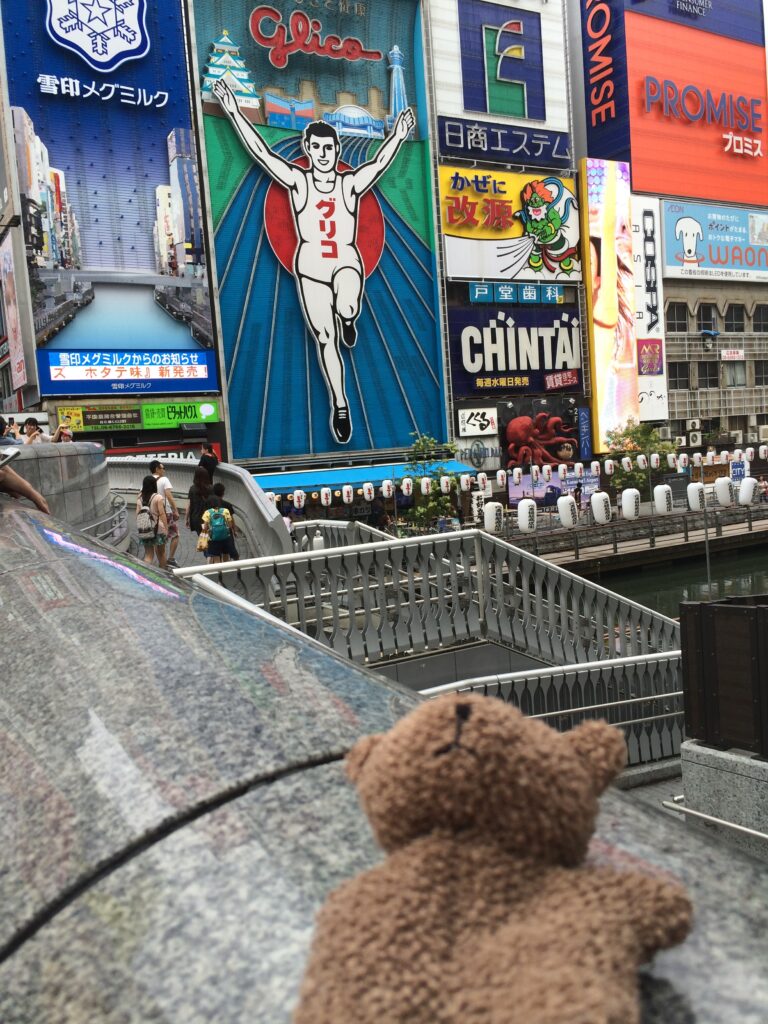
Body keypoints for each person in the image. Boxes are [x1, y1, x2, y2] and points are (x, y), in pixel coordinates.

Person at [214, 78, 414, 445]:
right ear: (308, 148)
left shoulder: (348, 184)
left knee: (348, 305)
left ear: (337, 150)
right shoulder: (298, 181)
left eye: (329, 147)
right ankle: (340, 403)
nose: (323, 153)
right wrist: (233, 111)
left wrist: (399, 135)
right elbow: (262, 153)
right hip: (311, 268)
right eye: (317, 147)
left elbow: (378, 163)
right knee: (325, 338)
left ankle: (349, 317)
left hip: (345, 261)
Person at [150, 459, 181, 567]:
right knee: (176, 534)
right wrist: (175, 510)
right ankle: (170, 559)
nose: (164, 470)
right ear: (157, 469)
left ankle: (161, 562)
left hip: (153, 513)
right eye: (163, 468)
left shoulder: (147, 480)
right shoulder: (164, 479)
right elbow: (168, 495)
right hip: (166, 512)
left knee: (157, 538)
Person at [136, 474, 168, 568]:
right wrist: (166, 528)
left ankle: (145, 572)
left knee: (148, 555)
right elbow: (162, 514)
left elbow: (137, 515)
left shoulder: (139, 498)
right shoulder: (158, 497)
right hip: (158, 529)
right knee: (161, 554)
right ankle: (163, 573)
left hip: (145, 529)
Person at [200, 495, 234, 565]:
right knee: (226, 555)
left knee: (216, 559)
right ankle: (225, 569)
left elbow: (205, 528)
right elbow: (230, 525)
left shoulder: (207, 512)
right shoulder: (225, 511)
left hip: (213, 539)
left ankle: (219, 571)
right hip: (225, 538)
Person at [212, 481, 240, 560]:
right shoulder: (227, 505)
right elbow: (231, 519)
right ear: (223, 493)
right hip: (226, 532)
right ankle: (227, 564)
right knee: (227, 552)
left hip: (214, 531)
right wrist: (234, 529)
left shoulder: (211, 504)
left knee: (216, 553)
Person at [186, 466, 212, 536]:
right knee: (208, 538)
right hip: (208, 517)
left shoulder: (192, 488)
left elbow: (189, 505)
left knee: (202, 537)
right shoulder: (211, 488)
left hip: (197, 518)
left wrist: (186, 518)